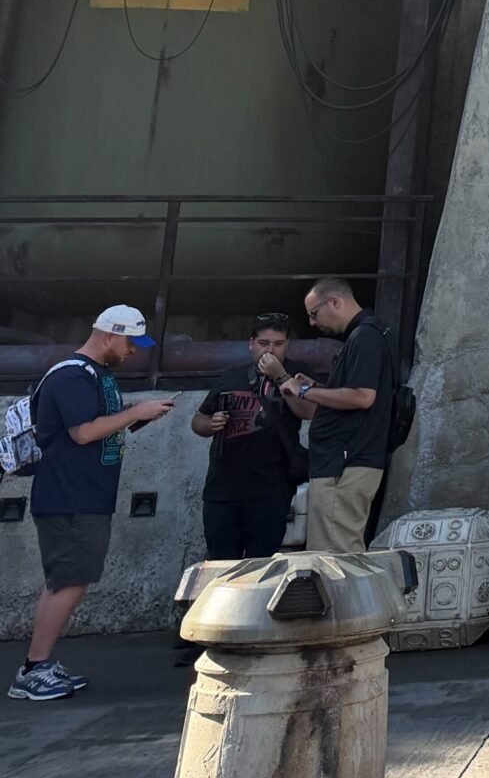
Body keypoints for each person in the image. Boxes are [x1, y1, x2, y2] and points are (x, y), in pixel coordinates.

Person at [10, 305, 177, 702]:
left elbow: (95, 426)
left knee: (69, 580)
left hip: (85, 495)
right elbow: (83, 432)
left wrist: (136, 417)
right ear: (108, 336)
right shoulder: (72, 375)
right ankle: (33, 669)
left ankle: (39, 665)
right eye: (130, 343)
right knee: (67, 581)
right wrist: (137, 411)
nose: (133, 351)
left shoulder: (97, 375)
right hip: (69, 497)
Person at [284, 278, 395, 554]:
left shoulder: (365, 337)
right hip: (344, 461)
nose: (312, 323)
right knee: (336, 553)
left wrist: (304, 391)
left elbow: (362, 396)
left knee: (334, 557)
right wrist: (320, 387)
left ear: (334, 302)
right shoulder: (368, 334)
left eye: (314, 314)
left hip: (345, 464)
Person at [191, 313, 306, 561]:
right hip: (223, 488)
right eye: (264, 343)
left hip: (271, 488)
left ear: (287, 344)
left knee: (261, 564)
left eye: (278, 344)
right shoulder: (231, 376)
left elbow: (308, 411)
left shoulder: (298, 374)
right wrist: (210, 424)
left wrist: (281, 376)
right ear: (251, 343)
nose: (271, 350)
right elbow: (198, 419)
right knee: (221, 564)